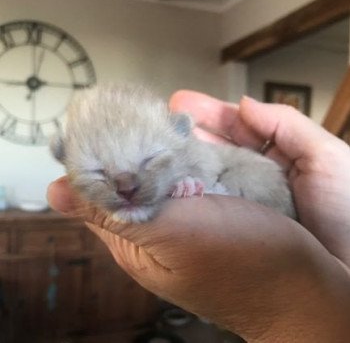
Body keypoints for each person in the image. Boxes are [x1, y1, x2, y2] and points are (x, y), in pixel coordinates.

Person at [47, 92, 350, 342]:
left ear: (181, 135)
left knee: (257, 176)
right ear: (63, 156)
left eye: (150, 160)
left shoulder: (194, 151)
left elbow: (209, 166)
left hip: (247, 180)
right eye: (96, 172)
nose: (126, 186)